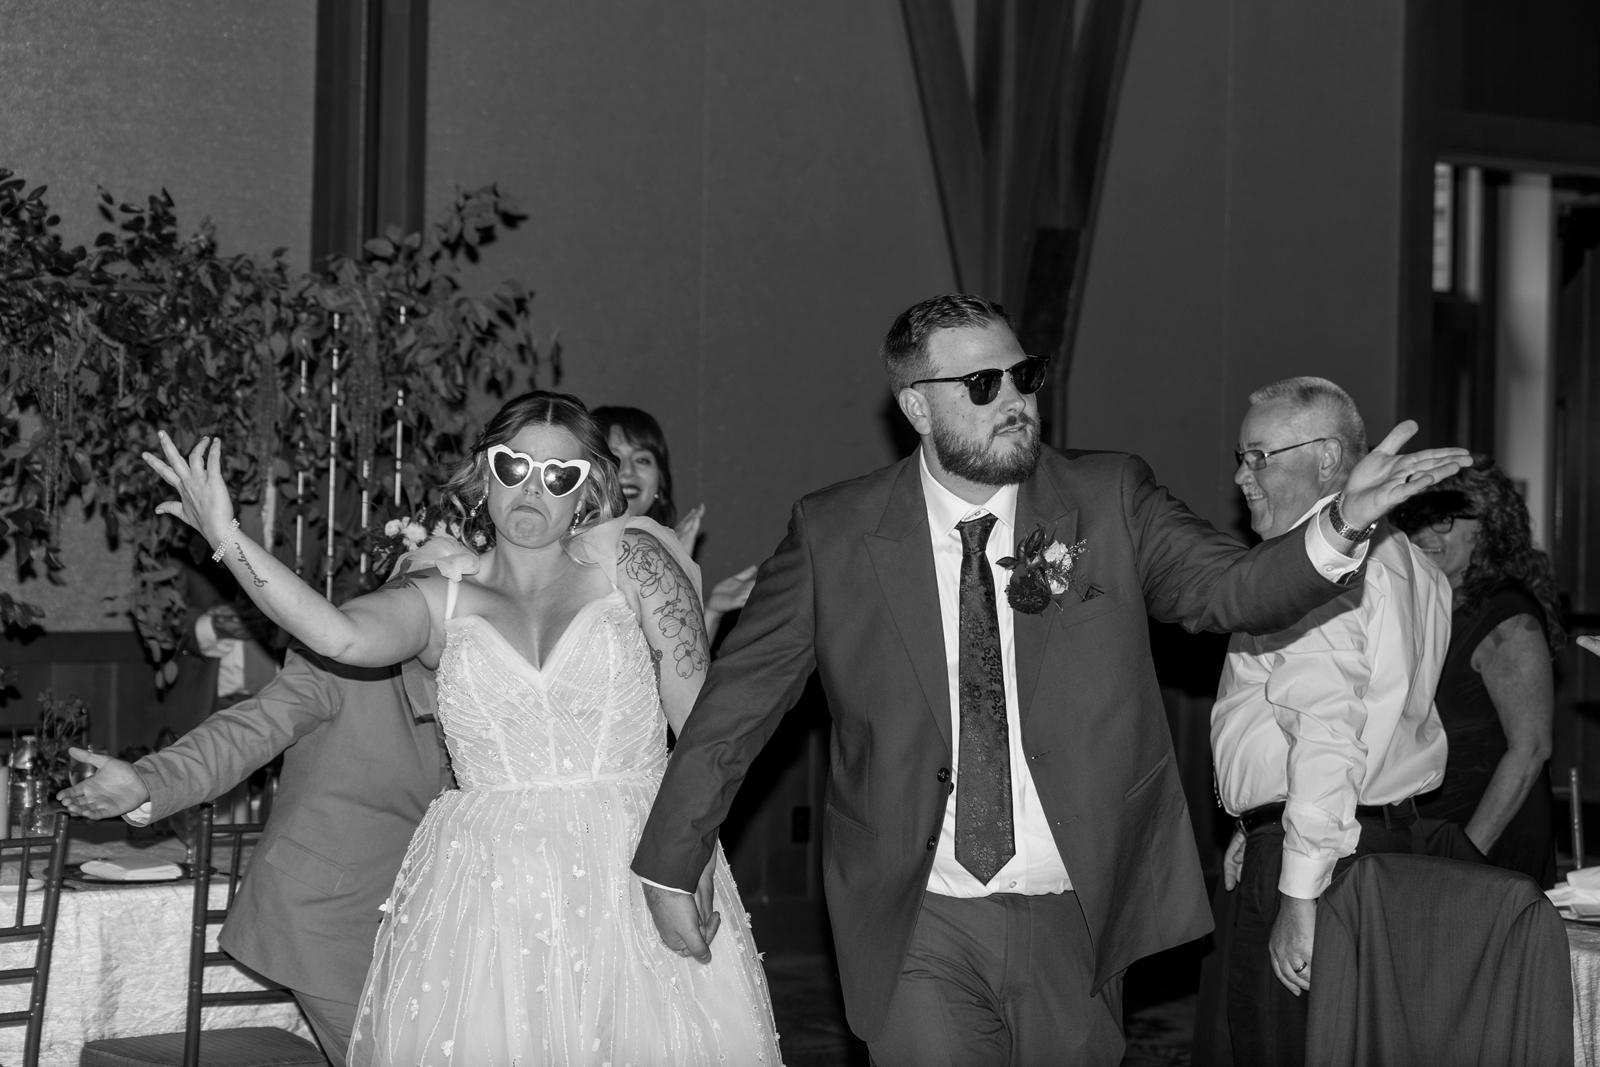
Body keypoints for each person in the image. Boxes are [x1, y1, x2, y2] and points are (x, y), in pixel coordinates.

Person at [631, 295, 1471, 1066]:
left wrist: (1340, 523)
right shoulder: (836, 531)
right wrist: (673, 859)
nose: (1015, 400)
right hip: (917, 909)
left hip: (1075, 907)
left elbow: (1234, 588)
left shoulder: (1108, 498)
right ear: (917, 406)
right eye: (983, 384)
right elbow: (737, 703)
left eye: (1024, 376)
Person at [139, 391, 782, 1066]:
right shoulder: (441, 598)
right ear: (485, 473)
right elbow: (338, 635)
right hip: (491, 897)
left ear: (587, 490)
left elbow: (704, 728)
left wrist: (683, 863)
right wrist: (227, 537)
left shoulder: (633, 562)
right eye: (514, 466)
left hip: (632, 872)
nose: (532, 488)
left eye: (559, 474)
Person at [1201, 377, 1461, 1067]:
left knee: (1285, 1047)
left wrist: (1298, 890)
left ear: (1325, 459)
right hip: (1382, 844)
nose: (1241, 477)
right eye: (1241, 457)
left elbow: (1327, 726)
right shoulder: (1416, 565)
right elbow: (1370, 721)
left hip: (1325, 861)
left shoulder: (1313, 569)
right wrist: (1252, 819)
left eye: (1258, 457)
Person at [57, 647, 452, 1066]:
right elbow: (247, 730)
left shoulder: (483, 657)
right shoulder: (343, 653)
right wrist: (150, 780)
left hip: (439, 918)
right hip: (328, 919)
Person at [1394, 461, 1562, 887]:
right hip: (1433, 833)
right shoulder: (1431, 603)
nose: (1424, 534)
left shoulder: (1506, 615)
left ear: (1488, 526)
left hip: (1487, 843)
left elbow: (1530, 750)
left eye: (1443, 519)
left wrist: (1466, 854)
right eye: (1417, 518)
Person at [595, 404, 757, 638]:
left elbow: (678, 656)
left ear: (660, 482)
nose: (628, 471)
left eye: (642, 460)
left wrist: (710, 611)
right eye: (615, 456)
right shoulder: (566, 554)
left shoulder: (659, 552)